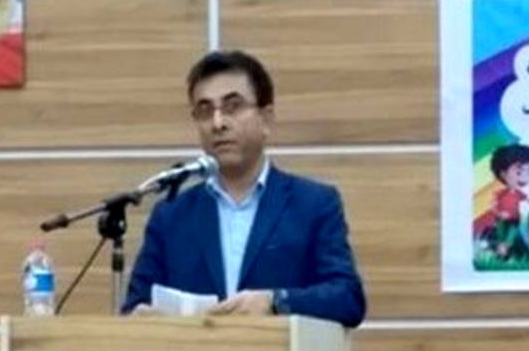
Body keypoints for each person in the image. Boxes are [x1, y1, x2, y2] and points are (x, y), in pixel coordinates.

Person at [122, 50, 366, 327]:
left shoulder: (313, 204)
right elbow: (134, 309)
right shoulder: (171, 217)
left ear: (266, 119)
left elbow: (347, 298)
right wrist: (145, 319)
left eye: (233, 107)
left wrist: (275, 302)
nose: (218, 123)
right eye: (205, 111)